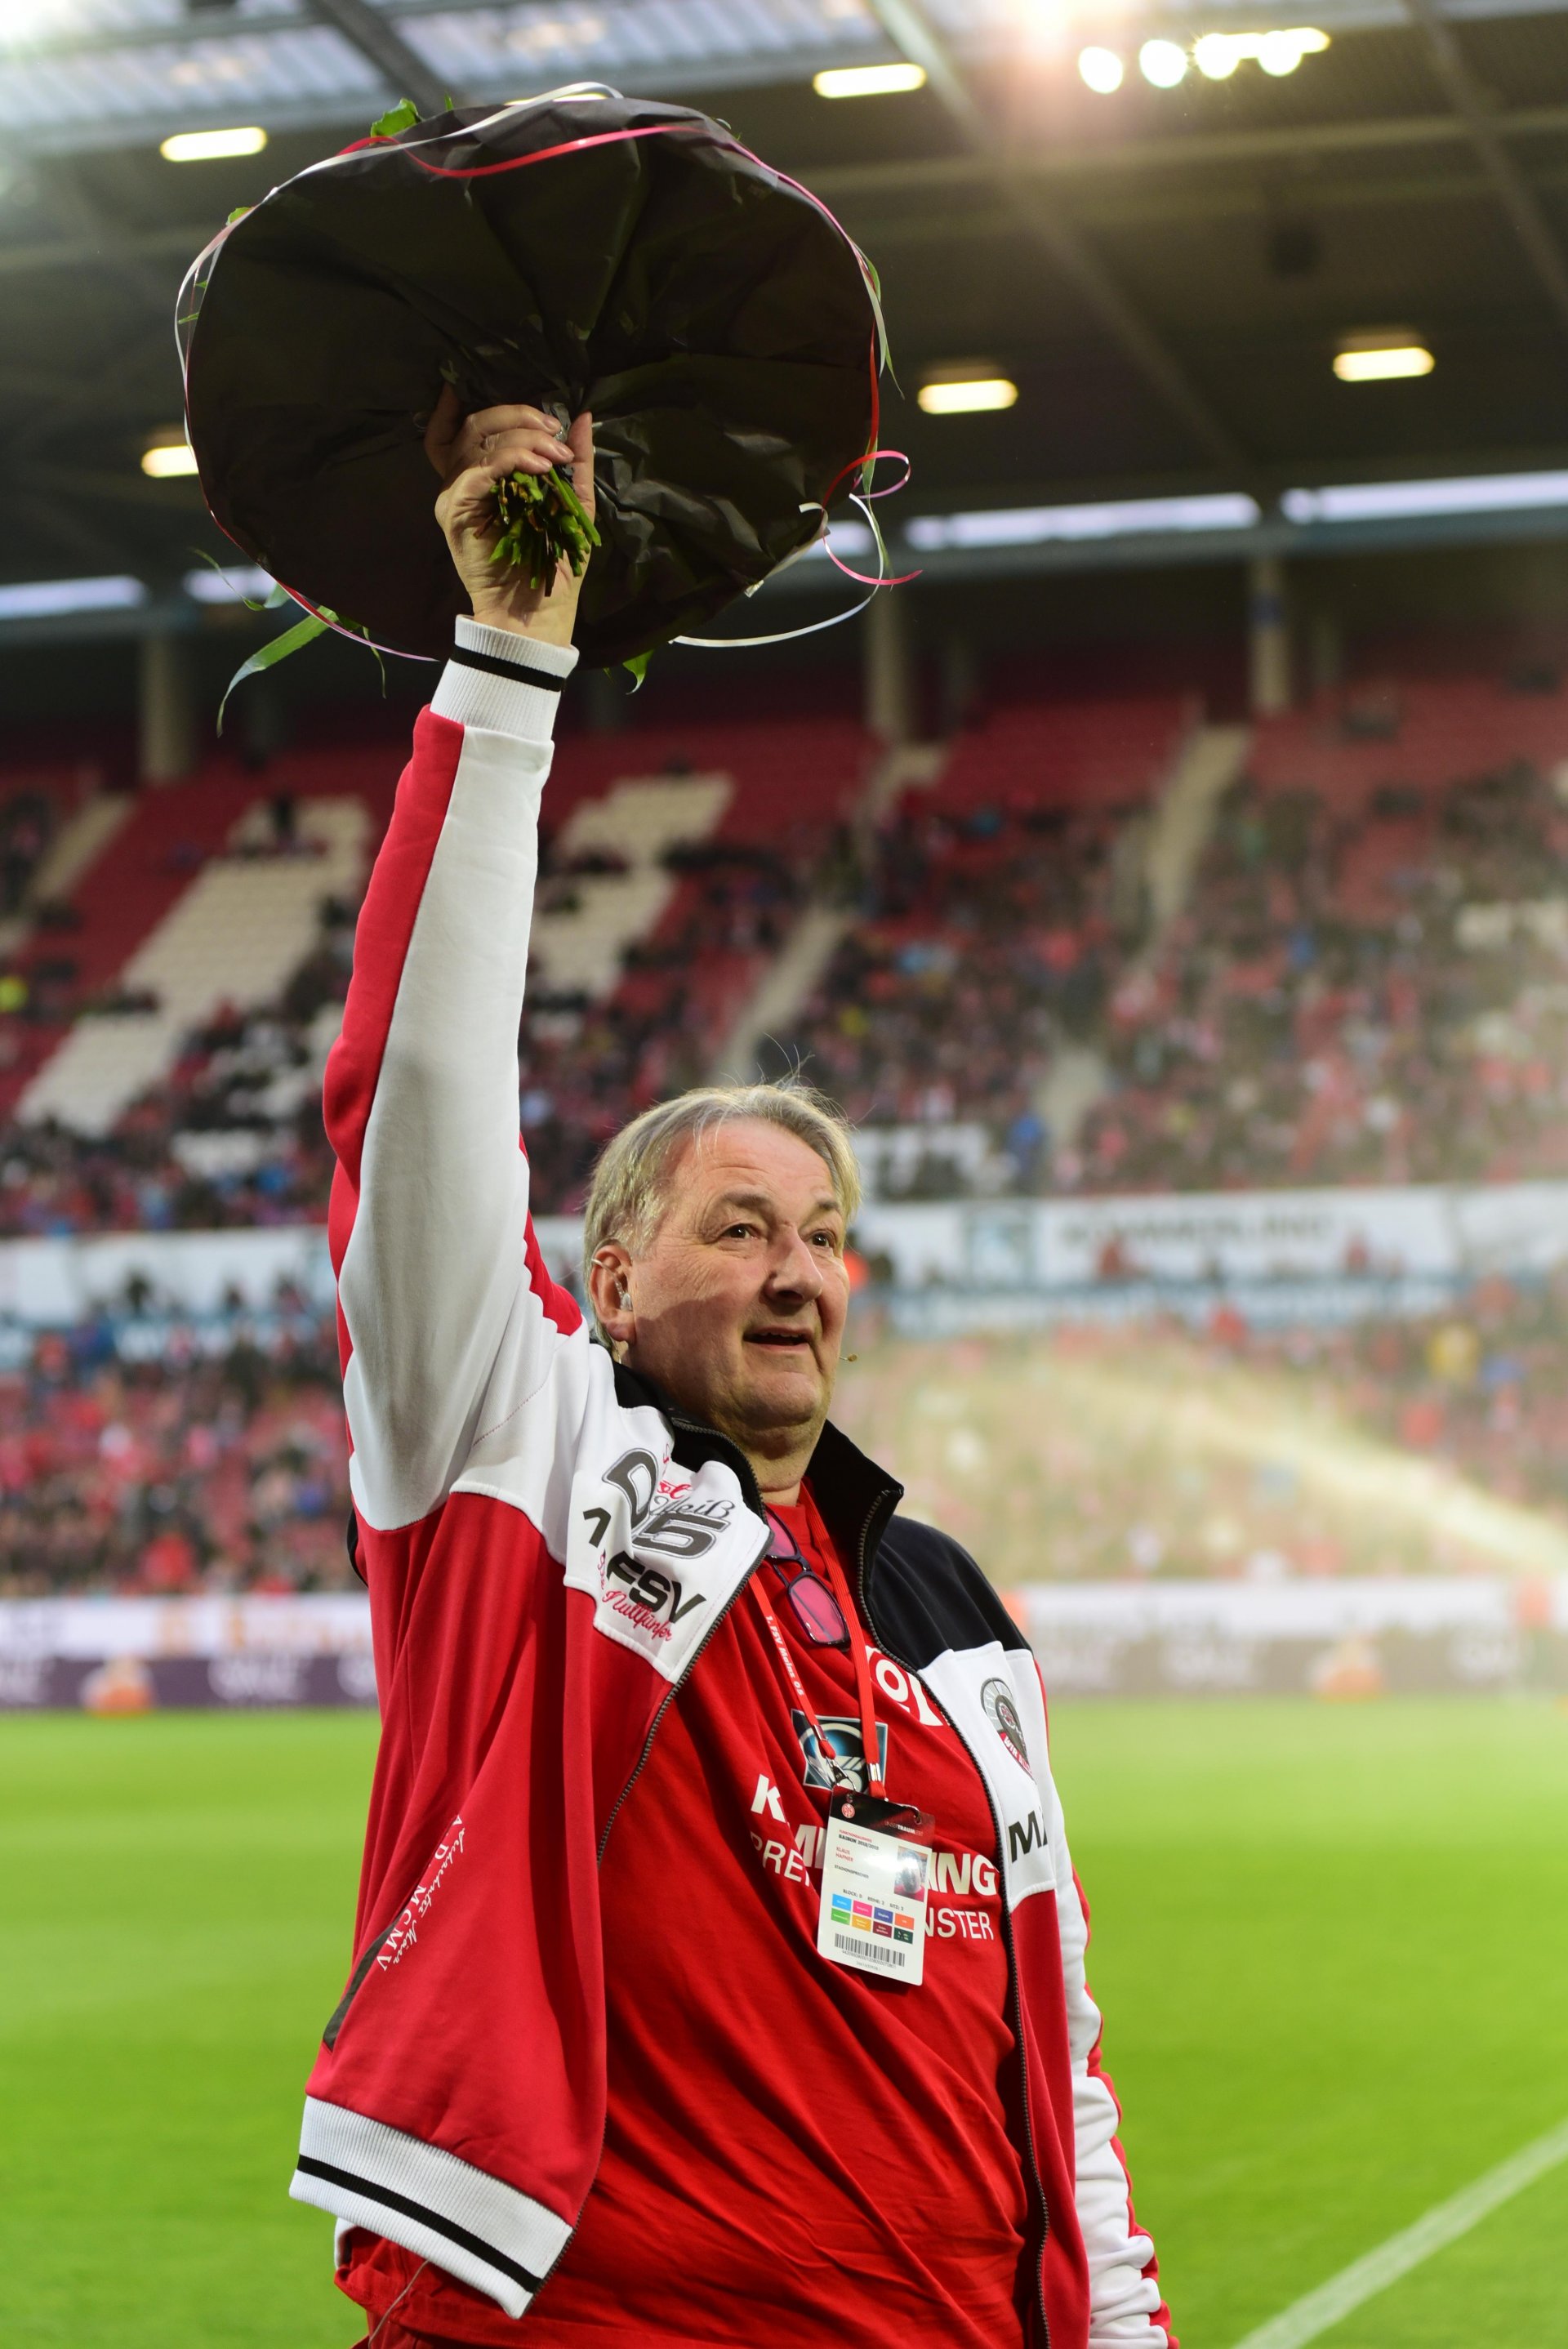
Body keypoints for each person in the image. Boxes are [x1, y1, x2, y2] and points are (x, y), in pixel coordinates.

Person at [289, 390, 1174, 2349]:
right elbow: (415, 1097)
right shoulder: (522, 1467)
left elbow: (1063, 2060)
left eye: (828, 1235)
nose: (801, 1277)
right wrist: (511, 660)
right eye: (741, 1228)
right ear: (605, 1281)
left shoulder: (947, 1609)